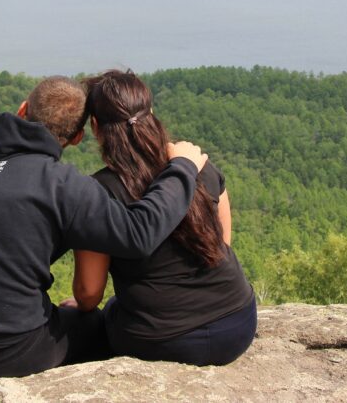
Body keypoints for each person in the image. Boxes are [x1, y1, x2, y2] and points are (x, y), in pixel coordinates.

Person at [0, 75, 208, 379]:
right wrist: (182, 167)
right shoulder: (64, 187)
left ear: (22, 108)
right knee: (98, 323)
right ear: (78, 136)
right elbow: (139, 233)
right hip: (16, 348)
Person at [67, 70, 256, 366]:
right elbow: (223, 244)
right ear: (151, 113)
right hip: (238, 324)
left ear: (95, 126)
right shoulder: (196, 163)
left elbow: (89, 294)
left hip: (160, 341)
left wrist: (78, 303)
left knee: (108, 312)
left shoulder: (98, 192)